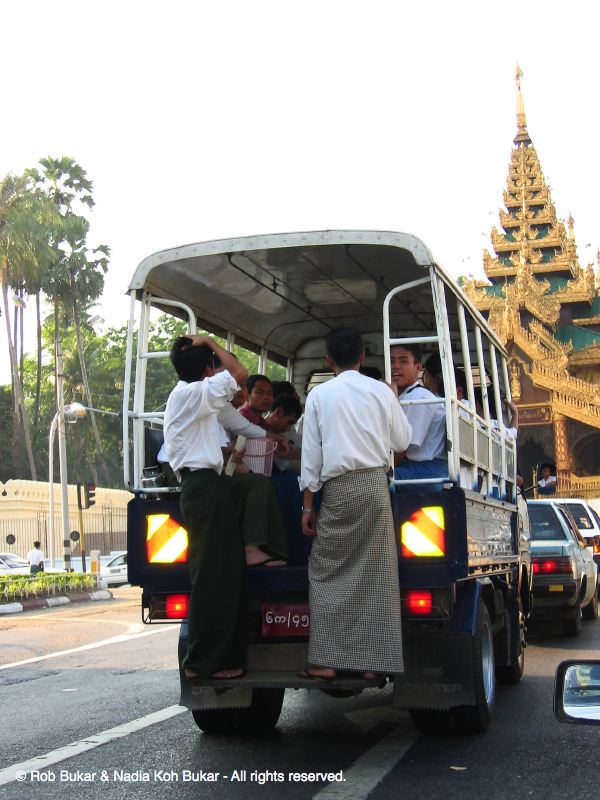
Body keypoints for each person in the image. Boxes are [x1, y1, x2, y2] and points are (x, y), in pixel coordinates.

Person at [299, 328, 412, 680]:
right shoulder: (381, 390)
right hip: (376, 487)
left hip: (339, 489)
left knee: (325, 570)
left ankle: (325, 661)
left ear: (328, 360)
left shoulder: (319, 395)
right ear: (363, 357)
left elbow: (310, 457)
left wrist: (307, 506)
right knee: (376, 575)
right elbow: (403, 441)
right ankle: (372, 666)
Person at [163, 334, 250, 680]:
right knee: (213, 576)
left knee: (222, 573)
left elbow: (195, 443)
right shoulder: (192, 392)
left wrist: (224, 454)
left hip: (202, 484)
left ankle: (222, 658)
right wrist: (211, 341)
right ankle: (202, 661)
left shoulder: (186, 397)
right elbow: (240, 373)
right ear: (209, 368)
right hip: (203, 488)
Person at [390, 344, 447, 489]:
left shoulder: (419, 397)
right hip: (411, 467)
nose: (396, 366)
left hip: (425, 470)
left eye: (403, 361)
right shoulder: (403, 396)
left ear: (417, 367)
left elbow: (403, 448)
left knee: (374, 483)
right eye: (391, 361)